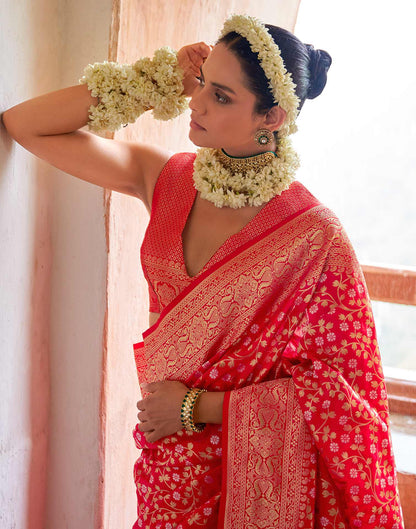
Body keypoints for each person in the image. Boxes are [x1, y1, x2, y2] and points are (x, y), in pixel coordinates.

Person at [2, 13, 404, 529]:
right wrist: (157, 78)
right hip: (168, 467)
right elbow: (24, 124)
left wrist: (197, 407)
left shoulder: (314, 237)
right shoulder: (166, 180)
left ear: (272, 118)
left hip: (251, 479)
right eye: (201, 84)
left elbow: (345, 400)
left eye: (221, 95)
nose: (196, 102)